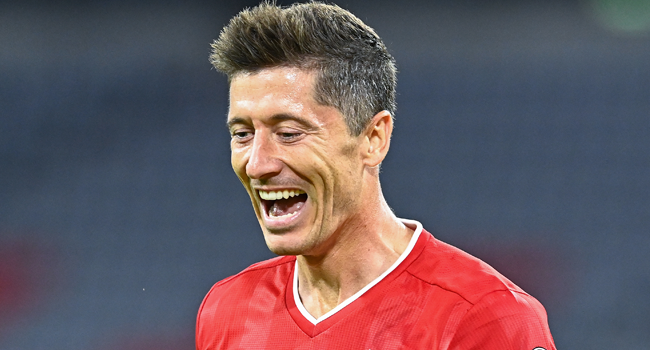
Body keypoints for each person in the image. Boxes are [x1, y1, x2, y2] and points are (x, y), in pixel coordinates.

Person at [196, 1, 557, 349]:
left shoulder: (485, 317)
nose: (257, 164)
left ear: (373, 138)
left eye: (288, 133)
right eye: (242, 134)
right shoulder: (227, 310)